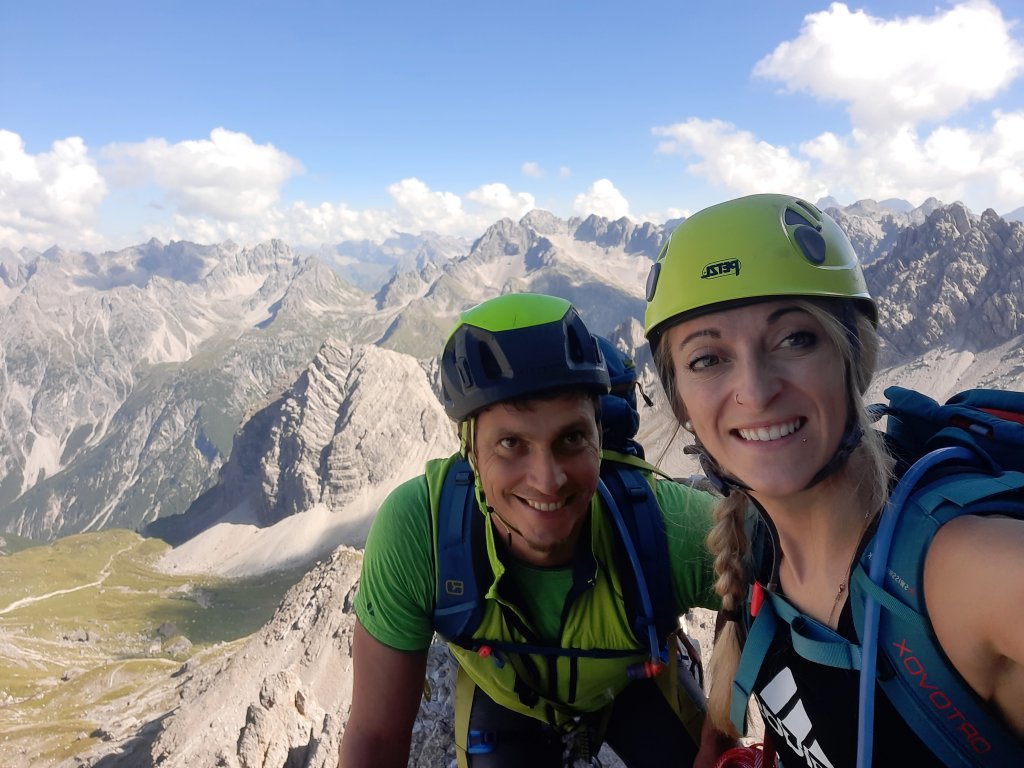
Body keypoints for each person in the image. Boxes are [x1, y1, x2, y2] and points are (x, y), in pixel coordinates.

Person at [643, 193, 1024, 766]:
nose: (756, 391)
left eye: (795, 339)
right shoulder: (758, 549)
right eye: (707, 359)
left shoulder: (967, 573)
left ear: (854, 358)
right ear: (681, 404)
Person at [340, 292, 724, 768]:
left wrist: (720, 732)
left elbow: (772, 575)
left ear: (599, 436)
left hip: (633, 684)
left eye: (571, 438)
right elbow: (376, 737)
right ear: (470, 451)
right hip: (510, 696)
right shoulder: (420, 532)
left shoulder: (665, 525)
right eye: (510, 443)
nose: (548, 479)